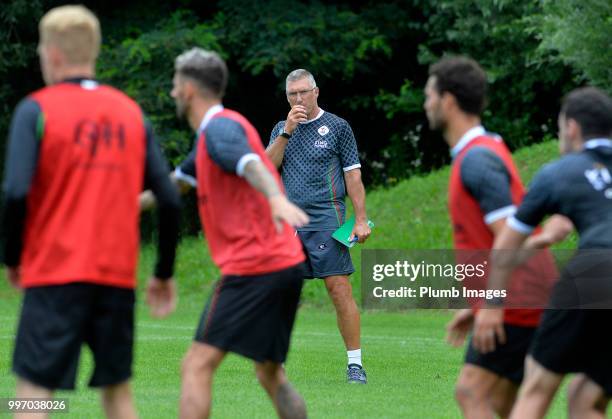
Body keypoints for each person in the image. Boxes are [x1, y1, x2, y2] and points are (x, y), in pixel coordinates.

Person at [2, 5, 180, 419]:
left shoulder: (36, 109)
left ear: (53, 55)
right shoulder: (129, 112)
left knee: (32, 394)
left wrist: (12, 258)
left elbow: (14, 193)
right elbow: (169, 199)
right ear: (93, 52)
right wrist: (163, 271)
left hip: (54, 274)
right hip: (114, 278)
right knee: (118, 397)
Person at [423, 56, 569, 418]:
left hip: (519, 301)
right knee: (503, 406)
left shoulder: (477, 160)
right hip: (522, 297)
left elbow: (511, 238)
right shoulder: (482, 151)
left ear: (448, 100)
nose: (425, 103)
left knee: (472, 394)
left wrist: (491, 303)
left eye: (429, 95)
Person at [170, 48, 309, 419]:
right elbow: (173, 187)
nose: (171, 94)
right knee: (269, 373)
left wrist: (276, 197)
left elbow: (250, 164)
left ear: (187, 90)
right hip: (285, 263)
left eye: (174, 85)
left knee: (196, 364)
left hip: (254, 267)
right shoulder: (209, 138)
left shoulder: (219, 129)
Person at [477, 86, 612, 419]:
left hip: (597, 267)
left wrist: (492, 305)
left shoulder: (560, 172)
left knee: (537, 388)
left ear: (572, 128)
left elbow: (506, 244)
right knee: (586, 397)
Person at [266, 69, 370, 384]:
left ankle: (355, 365)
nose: (298, 98)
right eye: (292, 94)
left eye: (303, 92)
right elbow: (268, 166)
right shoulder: (281, 128)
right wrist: (287, 131)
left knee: (338, 289)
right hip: (289, 221)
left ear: (316, 92)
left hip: (328, 218)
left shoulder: (338, 127)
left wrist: (361, 218)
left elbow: (353, 175)